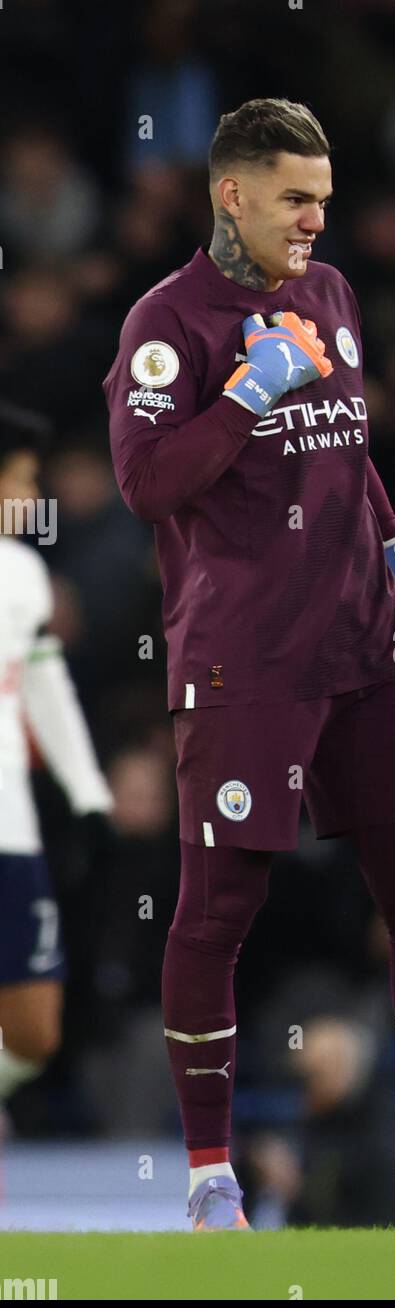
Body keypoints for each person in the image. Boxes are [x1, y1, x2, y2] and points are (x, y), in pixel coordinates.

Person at [103, 97, 395, 1231]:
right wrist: (248, 396)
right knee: (219, 911)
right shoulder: (169, 325)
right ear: (229, 193)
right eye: (294, 200)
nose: (313, 222)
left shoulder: (331, 295)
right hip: (245, 659)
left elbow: (346, 450)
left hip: (362, 650)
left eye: (325, 203)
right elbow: (146, 482)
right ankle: (209, 1185)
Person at [0, 403, 113, 1146]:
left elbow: (46, 688)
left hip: (12, 829)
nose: (31, 498)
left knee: (36, 1030)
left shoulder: (24, 573)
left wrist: (89, 797)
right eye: (21, 480)